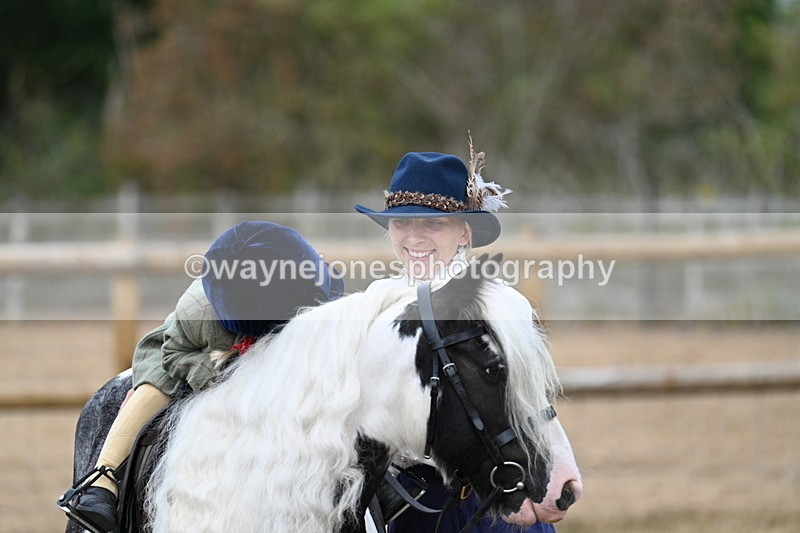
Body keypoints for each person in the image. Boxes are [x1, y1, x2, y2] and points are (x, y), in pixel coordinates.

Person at [59, 221, 343, 533]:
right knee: (153, 387)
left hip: (277, 337)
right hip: (192, 352)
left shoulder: (313, 296)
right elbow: (175, 355)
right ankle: (102, 480)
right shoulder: (198, 315)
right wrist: (228, 374)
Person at [355, 149, 556, 533]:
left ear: (464, 231)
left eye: (433, 223)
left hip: (494, 497)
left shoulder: (501, 305)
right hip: (410, 506)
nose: (413, 237)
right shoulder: (377, 304)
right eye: (401, 223)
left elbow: (527, 406)